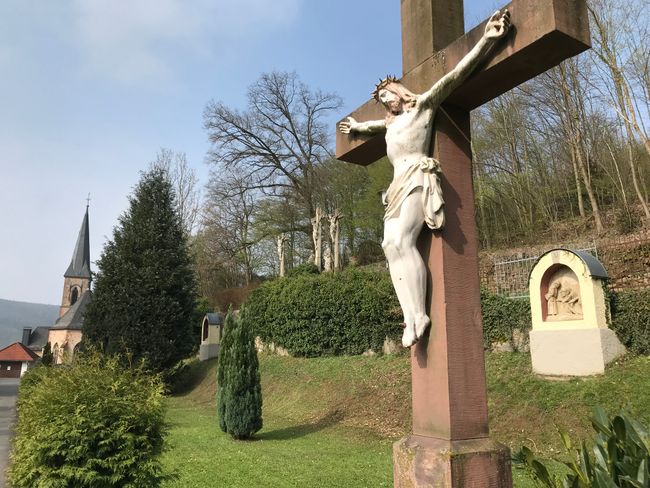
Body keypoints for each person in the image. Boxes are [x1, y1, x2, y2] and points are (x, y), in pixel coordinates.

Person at [339, 10, 511, 347]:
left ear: (399, 90)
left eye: (388, 94)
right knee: (389, 246)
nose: (385, 100)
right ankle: (410, 316)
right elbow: (372, 127)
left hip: (418, 174)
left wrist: (488, 40)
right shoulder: (388, 124)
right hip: (395, 184)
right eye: (381, 99)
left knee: (404, 240)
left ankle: (420, 314)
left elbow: (456, 76)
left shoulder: (423, 107)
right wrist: (357, 127)